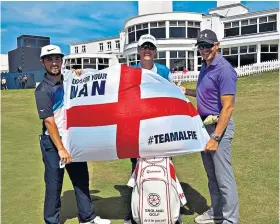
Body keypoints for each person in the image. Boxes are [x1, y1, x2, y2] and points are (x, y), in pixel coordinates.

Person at [34, 44, 111, 224]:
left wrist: (79, 74)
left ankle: (87, 217)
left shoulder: (69, 79)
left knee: (81, 179)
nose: (55, 63)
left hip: (73, 138)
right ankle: (51, 221)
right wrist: (61, 149)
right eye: (50, 59)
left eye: (57, 59)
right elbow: (49, 121)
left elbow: (87, 79)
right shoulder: (42, 90)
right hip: (53, 143)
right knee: (54, 185)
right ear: (42, 62)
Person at [180, 29, 239, 224]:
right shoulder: (205, 66)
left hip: (217, 129)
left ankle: (230, 220)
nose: (204, 50)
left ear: (217, 45)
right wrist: (186, 91)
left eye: (208, 46)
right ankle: (217, 212)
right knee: (212, 176)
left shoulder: (224, 69)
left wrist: (216, 138)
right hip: (203, 127)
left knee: (224, 178)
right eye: (201, 46)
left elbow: (228, 107)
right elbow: (205, 95)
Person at [124, 34, 182, 224]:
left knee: (166, 167)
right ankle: (136, 210)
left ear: (155, 51)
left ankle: (170, 209)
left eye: (151, 47)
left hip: (162, 129)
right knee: (137, 169)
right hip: (139, 129)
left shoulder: (164, 71)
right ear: (139, 51)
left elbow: (174, 97)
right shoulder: (130, 71)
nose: (147, 50)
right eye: (144, 47)